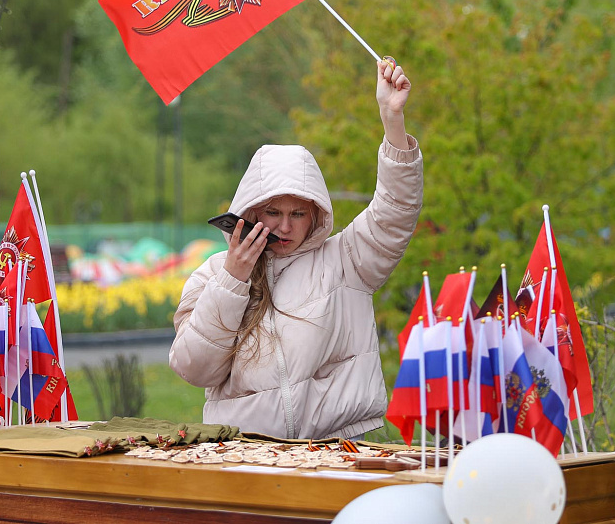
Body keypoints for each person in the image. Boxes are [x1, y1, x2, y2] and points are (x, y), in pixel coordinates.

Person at [169, 56, 424, 440]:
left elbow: (395, 209)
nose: (284, 226)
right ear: (250, 210)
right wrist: (233, 280)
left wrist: (393, 121)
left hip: (340, 448)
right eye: (272, 212)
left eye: (298, 213)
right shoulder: (212, 274)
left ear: (316, 214)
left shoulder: (346, 260)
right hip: (245, 455)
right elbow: (194, 368)